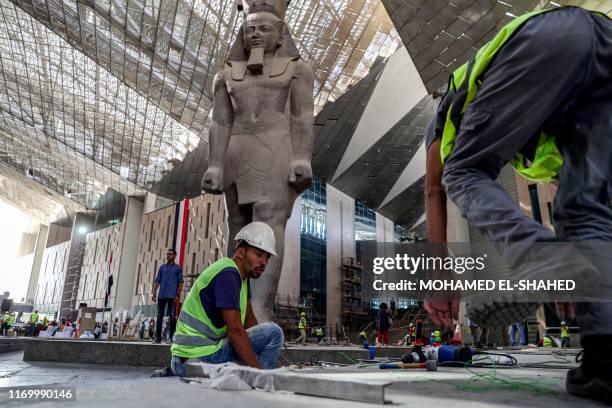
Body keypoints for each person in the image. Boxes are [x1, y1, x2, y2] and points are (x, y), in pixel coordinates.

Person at [425, 7, 611, 402]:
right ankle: (604, 363)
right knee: (585, 209)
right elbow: (584, 208)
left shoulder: (454, 104)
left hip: (548, 36)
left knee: (461, 171)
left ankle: (547, 260)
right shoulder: (551, 131)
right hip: (605, 41)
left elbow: (434, 190)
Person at [201, 0, 314, 323]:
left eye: (264, 29)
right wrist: (215, 163)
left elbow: (302, 113)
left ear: (280, 36)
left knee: (268, 223)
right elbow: (220, 122)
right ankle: (231, 309)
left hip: (275, 145)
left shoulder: (297, 70)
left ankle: (261, 309)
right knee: (237, 229)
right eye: (249, 29)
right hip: (237, 147)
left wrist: (302, 156)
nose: (256, 35)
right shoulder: (225, 76)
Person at [170, 222, 284, 375]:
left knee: (265, 338)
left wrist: (263, 356)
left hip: (203, 355)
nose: (264, 262)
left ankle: (262, 373)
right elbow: (236, 331)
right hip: (194, 360)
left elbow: (251, 325)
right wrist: (259, 372)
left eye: (267, 257)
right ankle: (262, 379)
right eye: (258, 255)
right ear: (241, 253)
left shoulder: (242, 278)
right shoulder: (228, 274)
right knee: (274, 333)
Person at [152, 249, 183, 343]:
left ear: (174, 256)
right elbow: (157, 281)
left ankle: (171, 338)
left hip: (172, 296)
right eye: (167, 254)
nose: (168, 255)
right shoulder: (162, 267)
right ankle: (158, 338)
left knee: (172, 317)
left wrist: (178, 294)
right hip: (161, 295)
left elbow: (180, 282)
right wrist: (154, 293)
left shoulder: (178, 268)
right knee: (159, 316)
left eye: (170, 254)